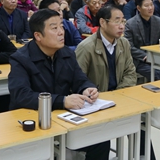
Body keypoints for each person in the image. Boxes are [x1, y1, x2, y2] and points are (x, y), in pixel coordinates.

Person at [9, 9, 109, 160]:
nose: (61, 32)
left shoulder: (66, 53)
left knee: (100, 138)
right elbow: (21, 95)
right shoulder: (21, 59)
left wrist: (87, 88)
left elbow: (80, 79)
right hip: (34, 120)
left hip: (62, 117)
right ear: (38, 36)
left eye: (61, 26)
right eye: (54, 28)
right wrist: (62, 101)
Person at [76, 6, 156, 159]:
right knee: (102, 140)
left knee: (140, 125)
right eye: (117, 21)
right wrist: (98, 97)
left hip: (120, 99)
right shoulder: (86, 47)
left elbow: (130, 72)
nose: (121, 26)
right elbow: (78, 80)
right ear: (103, 22)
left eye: (123, 21)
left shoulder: (123, 43)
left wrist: (119, 95)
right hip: (95, 104)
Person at [124, 0, 160, 80]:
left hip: (156, 58)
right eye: (146, 6)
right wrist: (145, 56)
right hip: (138, 60)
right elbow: (129, 46)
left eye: (151, 5)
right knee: (156, 73)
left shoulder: (158, 21)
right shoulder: (130, 24)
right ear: (139, 8)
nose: (150, 8)